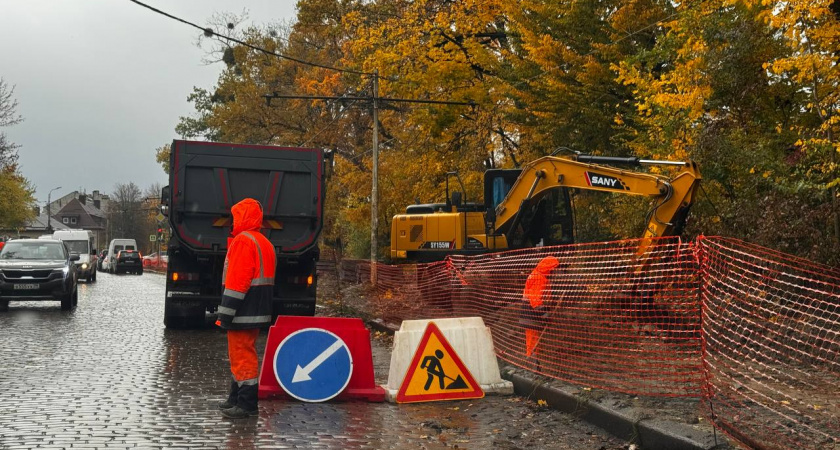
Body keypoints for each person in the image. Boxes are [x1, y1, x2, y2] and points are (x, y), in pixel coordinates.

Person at [216, 198, 276, 419]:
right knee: (241, 354)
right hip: (257, 309)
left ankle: (246, 404)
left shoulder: (243, 241)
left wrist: (226, 312)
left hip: (243, 310)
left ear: (241, 217)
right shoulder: (263, 242)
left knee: (242, 356)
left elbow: (237, 282)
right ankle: (235, 398)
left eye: (235, 217)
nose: (232, 222)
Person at [520, 255, 560, 360]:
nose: (554, 272)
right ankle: (534, 363)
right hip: (531, 314)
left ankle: (536, 363)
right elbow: (535, 299)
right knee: (533, 341)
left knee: (534, 339)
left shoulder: (538, 275)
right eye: (553, 269)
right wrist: (544, 314)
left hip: (530, 313)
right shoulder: (538, 277)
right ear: (549, 268)